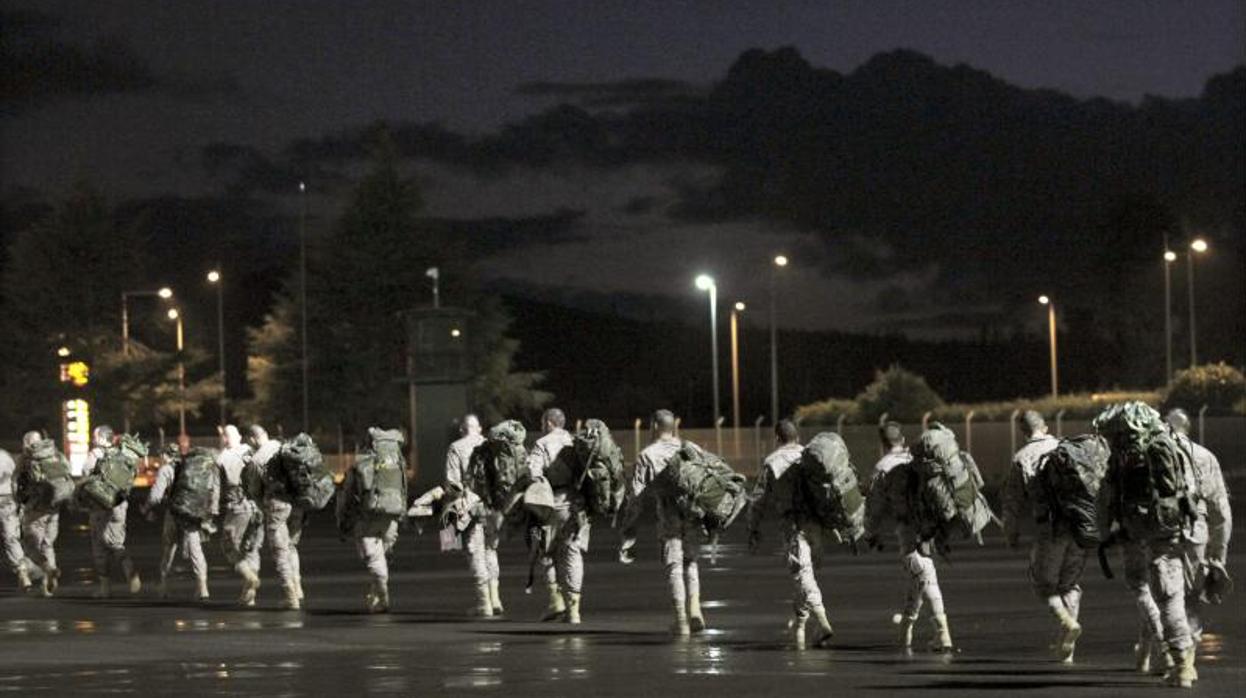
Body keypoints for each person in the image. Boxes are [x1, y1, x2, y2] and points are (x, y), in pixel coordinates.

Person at [1095, 401, 1202, 688]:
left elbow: (1105, 499)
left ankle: (1176, 662)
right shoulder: (1169, 446)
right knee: (1169, 596)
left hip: (1134, 529)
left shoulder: (1121, 457)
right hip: (1168, 530)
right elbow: (1189, 490)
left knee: (1150, 591)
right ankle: (1180, 664)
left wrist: (1104, 533)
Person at [864, 421, 952, 652]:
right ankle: (906, 631)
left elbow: (874, 507)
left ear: (882, 443)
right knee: (921, 576)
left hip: (907, 530)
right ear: (902, 439)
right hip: (928, 527)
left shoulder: (882, 467)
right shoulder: (916, 460)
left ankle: (942, 634)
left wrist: (871, 533)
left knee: (925, 576)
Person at [1002, 411, 1083, 662]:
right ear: (1045, 427)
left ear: (1023, 432)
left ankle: (1067, 624)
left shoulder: (1022, 457)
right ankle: (1066, 651)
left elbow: (1012, 502)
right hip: (1079, 526)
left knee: (1044, 585)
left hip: (1050, 530)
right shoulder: (1065, 448)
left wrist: (1011, 532)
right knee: (1068, 584)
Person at [618, 409, 707, 636]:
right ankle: (695, 609)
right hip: (693, 512)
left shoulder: (648, 454)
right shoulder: (692, 448)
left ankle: (681, 620)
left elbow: (636, 497)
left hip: (669, 513)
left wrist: (629, 528)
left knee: (674, 565)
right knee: (691, 561)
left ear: (655, 426)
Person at [747, 420, 835, 647]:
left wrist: (753, 527)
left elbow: (758, 500)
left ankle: (822, 619)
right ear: (798, 436)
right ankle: (800, 630)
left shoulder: (772, 462)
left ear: (777, 438)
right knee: (805, 579)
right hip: (816, 525)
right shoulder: (811, 457)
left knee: (803, 576)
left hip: (793, 525)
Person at [1166, 409, 1233, 664]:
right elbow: (1221, 511)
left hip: (1160, 533)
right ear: (1188, 428)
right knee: (1190, 595)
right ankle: (1187, 657)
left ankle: (1167, 651)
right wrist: (1218, 556)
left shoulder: (1150, 456)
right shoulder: (1205, 456)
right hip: (1195, 532)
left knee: (1162, 594)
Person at [525, 407, 588, 623]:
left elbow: (533, 475)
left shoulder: (542, 444)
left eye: (543, 423)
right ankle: (574, 610)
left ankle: (555, 601)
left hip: (552, 505)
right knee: (573, 554)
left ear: (550, 423)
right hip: (577, 506)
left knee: (546, 553)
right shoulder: (575, 442)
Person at [337, 427, 407, 613]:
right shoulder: (397, 462)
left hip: (368, 516)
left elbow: (347, 496)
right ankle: (375, 595)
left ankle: (383, 596)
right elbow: (403, 490)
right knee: (382, 556)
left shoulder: (361, 464)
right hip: (392, 516)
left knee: (373, 558)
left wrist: (342, 521)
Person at [443, 414, 502, 616]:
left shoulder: (456, 447)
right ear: (479, 428)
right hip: (494, 507)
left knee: (475, 551)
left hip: (471, 507)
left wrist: (453, 512)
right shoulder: (492, 445)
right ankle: (496, 599)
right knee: (490, 550)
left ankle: (483, 603)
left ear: (462, 429)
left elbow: (452, 483)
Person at [145, 436, 217, 600]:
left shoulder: (166, 469)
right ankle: (203, 588)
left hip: (173, 513)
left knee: (169, 549)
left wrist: (148, 508)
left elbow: (155, 496)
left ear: (164, 455)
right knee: (196, 550)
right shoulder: (188, 466)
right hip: (191, 512)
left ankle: (163, 586)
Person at [83, 425, 141, 598]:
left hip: (99, 506)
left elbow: (86, 476)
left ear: (102, 438)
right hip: (119, 505)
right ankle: (130, 570)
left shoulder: (94, 455)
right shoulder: (122, 455)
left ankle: (105, 588)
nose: (93, 439)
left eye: (95, 436)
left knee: (99, 547)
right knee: (116, 542)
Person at [249, 425, 303, 610]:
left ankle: (290, 596)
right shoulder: (282, 446)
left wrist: (263, 506)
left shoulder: (257, 459)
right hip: (296, 504)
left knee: (280, 551)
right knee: (291, 546)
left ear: (253, 439)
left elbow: (255, 491)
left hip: (276, 505)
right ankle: (299, 587)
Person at [14, 430, 70, 596]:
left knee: (31, 546)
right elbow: (66, 473)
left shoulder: (26, 458)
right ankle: (47, 586)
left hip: (35, 508)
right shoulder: (56, 454)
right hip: (54, 507)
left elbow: (15, 482)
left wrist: (18, 502)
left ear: (28, 442)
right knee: (48, 544)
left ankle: (48, 569)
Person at [218, 425, 264, 606]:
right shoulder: (251, 451)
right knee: (252, 548)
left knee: (229, 545)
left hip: (237, 508)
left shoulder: (222, 459)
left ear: (225, 439)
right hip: (257, 507)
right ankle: (249, 596)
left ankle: (248, 575)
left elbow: (218, 489)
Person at [1, 444, 36, 592]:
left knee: (11, 540)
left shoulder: (3, 457)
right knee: (11, 539)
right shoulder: (4, 455)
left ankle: (24, 571)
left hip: (6, 502)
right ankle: (25, 571)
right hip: (9, 502)